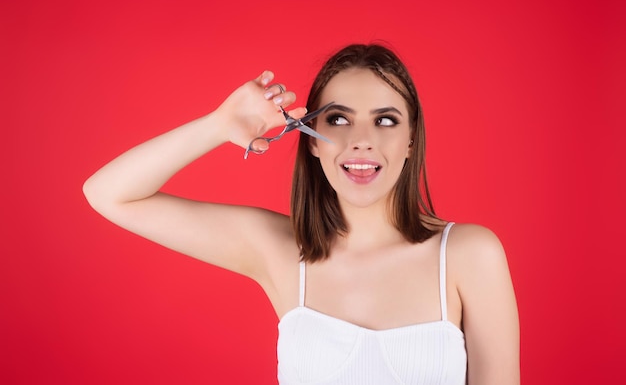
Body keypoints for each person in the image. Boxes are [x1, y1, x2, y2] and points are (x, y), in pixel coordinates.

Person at [83, 43, 519, 384]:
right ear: (310, 138)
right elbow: (110, 194)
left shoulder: (468, 255)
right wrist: (219, 125)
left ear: (410, 141)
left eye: (385, 120)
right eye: (338, 120)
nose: (362, 140)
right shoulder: (278, 251)